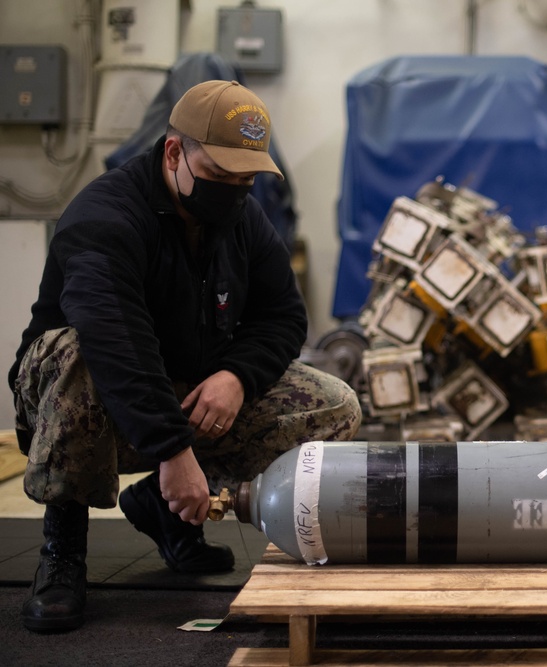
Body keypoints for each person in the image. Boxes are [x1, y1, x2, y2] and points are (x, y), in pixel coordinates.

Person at [8, 80, 362, 632]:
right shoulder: (105, 216)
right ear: (174, 152)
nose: (235, 192)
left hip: (185, 388)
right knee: (79, 348)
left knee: (334, 405)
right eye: (221, 177)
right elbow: (114, 340)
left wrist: (236, 377)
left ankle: (162, 510)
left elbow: (285, 317)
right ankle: (62, 552)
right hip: (85, 396)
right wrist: (173, 451)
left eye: (246, 180)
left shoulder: (241, 219)